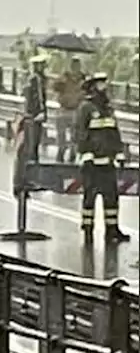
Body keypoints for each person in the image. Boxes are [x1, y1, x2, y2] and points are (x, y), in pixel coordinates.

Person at [74, 73, 130, 243]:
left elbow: (114, 133)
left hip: (108, 162)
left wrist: (119, 152)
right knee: (90, 198)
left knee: (111, 197)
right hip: (92, 163)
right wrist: (86, 154)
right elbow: (80, 133)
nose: (104, 87)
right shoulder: (86, 108)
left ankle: (112, 230)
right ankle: (88, 230)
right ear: (92, 87)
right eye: (100, 84)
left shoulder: (108, 109)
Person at [51, 57, 85, 163]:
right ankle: (61, 152)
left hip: (76, 110)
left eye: (77, 65)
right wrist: (61, 79)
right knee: (61, 134)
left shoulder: (83, 79)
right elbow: (54, 87)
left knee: (75, 136)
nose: (75, 68)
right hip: (63, 109)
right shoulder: (64, 77)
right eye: (73, 66)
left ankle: (72, 154)